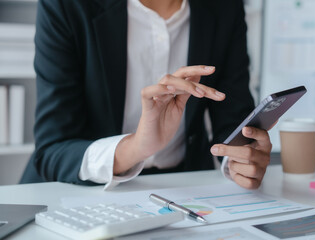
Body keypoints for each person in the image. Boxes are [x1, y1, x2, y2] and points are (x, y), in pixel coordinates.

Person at [21, 0, 272, 190]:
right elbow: (52, 148)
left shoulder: (224, 7)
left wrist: (240, 160)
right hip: (77, 189)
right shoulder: (67, 5)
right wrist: (137, 146)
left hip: (183, 187)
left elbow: (233, 118)